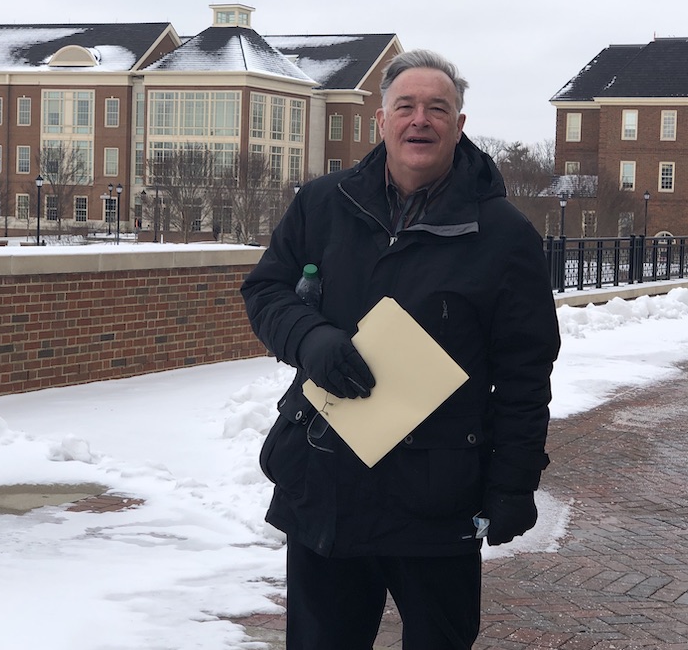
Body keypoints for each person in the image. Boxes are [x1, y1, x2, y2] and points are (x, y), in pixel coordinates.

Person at [240, 49, 560, 649]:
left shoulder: (504, 236)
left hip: (437, 497)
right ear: (380, 121)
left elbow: (525, 372)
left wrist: (515, 484)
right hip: (326, 481)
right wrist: (310, 338)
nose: (421, 120)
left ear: (460, 125)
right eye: (405, 106)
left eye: (437, 108)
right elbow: (265, 290)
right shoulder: (321, 204)